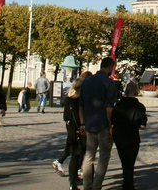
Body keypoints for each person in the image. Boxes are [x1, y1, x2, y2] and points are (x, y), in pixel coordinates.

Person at [79, 57, 117, 190]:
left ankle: (86, 186)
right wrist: (111, 125)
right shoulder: (109, 83)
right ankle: (96, 186)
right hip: (103, 124)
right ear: (109, 67)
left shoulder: (87, 81)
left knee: (89, 156)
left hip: (89, 122)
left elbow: (81, 105)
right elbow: (109, 108)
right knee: (104, 156)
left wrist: (82, 123)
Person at [112, 81, 148, 190]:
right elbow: (143, 125)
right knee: (130, 162)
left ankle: (126, 183)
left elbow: (112, 121)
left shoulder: (118, 105)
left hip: (120, 136)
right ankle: (129, 184)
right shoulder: (140, 107)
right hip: (133, 136)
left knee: (124, 161)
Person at [53, 76, 87, 190]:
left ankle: (73, 182)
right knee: (79, 154)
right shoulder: (81, 100)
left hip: (71, 129)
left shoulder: (69, 99)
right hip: (80, 129)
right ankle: (74, 180)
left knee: (74, 155)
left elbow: (66, 116)